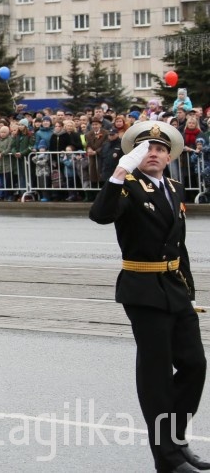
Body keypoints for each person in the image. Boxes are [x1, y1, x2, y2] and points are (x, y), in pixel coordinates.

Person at [89, 121, 209, 472]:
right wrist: (119, 172)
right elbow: (100, 215)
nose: (153, 153)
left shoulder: (174, 186)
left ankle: (176, 437)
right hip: (142, 289)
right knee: (156, 375)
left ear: (169, 156)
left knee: (194, 364)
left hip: (174, 287)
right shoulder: (126, 186)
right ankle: (167, 459)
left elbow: (178, 244)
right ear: (136, 155)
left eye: (159, 148)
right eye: (146, 149)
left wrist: (187, 290)